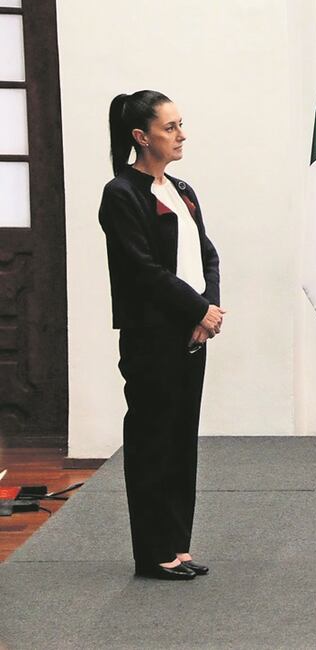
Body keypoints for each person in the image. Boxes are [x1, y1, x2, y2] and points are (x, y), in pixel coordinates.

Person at [99, 90, 224, 579]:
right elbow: (143, 271)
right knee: (152, 440)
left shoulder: (183, 189)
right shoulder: (121, 194)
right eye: (170, 127)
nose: (181, 135)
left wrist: (207, 308)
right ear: (140, 137)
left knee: (180, 440)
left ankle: (178, 544)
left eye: (180, 125)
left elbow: (206, 254)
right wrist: (198, 308)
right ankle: (153, 552)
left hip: (191, 332)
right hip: (152, 336)